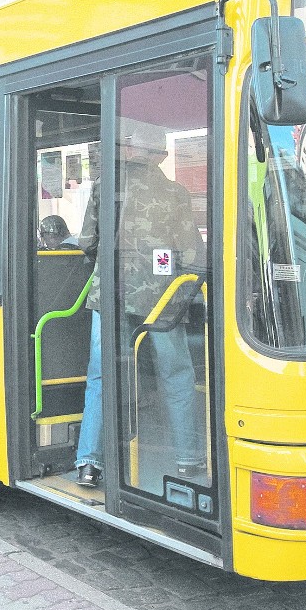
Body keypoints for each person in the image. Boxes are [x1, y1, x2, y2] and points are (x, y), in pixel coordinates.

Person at [75, 121, 206, 488]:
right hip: (161, 299)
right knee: (177, 375)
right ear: (161, 155)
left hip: (110, 297)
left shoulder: (105, 187)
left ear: (131, 151)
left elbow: (87, 241)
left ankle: (89, 462)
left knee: (101, 376)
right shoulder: (177, 193)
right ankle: (188, 461)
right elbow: (192, 251)